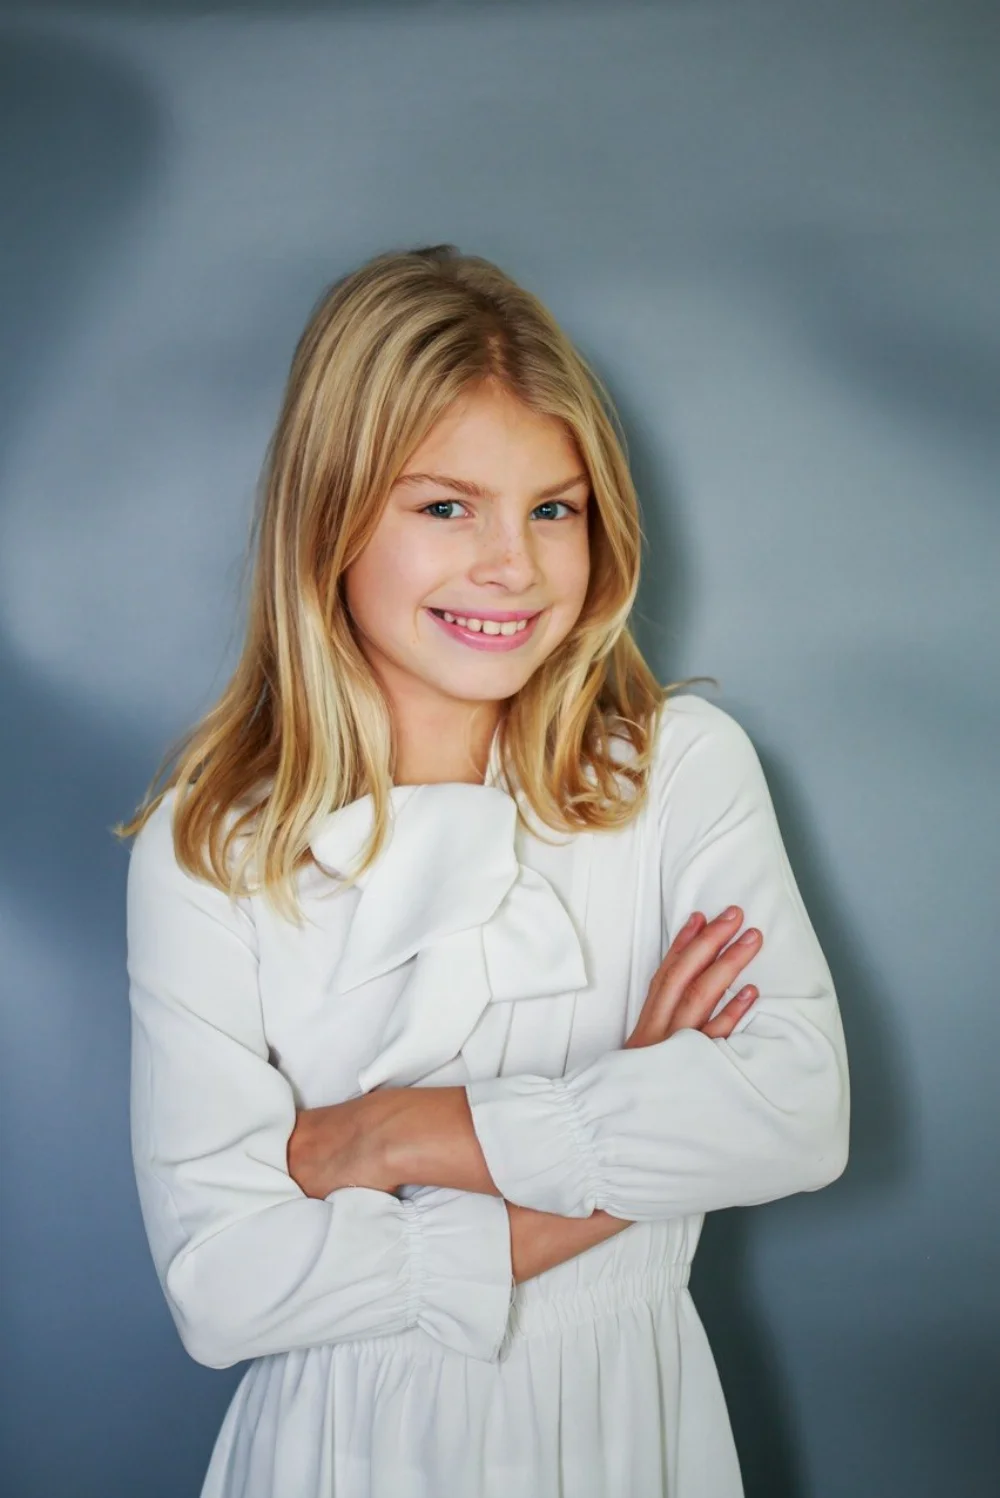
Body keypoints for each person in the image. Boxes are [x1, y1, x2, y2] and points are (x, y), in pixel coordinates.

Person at [116, 243, 850, 1498]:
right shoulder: (217, 846)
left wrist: (393, 1133)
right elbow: (224, 1289)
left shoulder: (673, 771)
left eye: (552, 508)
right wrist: (626, 1132)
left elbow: (796, 1110)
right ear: (330, 516)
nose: (512, 564)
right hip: (341, 1452)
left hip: (630, 1434)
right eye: (446, 507)